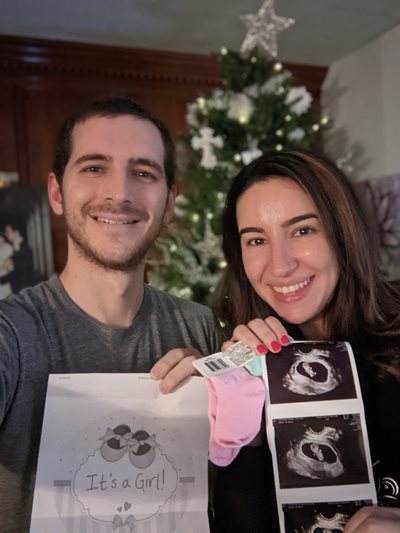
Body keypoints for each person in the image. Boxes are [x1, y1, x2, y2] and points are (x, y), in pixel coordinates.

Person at [0, 97, 221, 531]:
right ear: (57, 193)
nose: (119, 193)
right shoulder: (13, 332)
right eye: (94, 167)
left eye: (143, 173)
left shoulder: (200, 328)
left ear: (170, 201)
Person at [212, 150, 400, 533]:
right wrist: (245, 431)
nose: (279, 266)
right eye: (255, 240)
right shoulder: (247, 365)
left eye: (302, 230)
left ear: (343, 231)